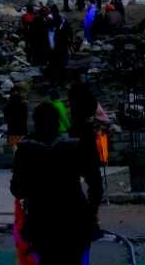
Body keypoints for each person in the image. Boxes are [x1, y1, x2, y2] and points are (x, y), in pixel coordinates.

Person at [11, 102, 103, 264]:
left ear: (35, 122)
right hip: (74, 218)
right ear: (57, 122)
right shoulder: (74, 147)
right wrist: (91, 209)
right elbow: (95, 183)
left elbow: (17, 189)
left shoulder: (25, 151)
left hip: (41, 221)